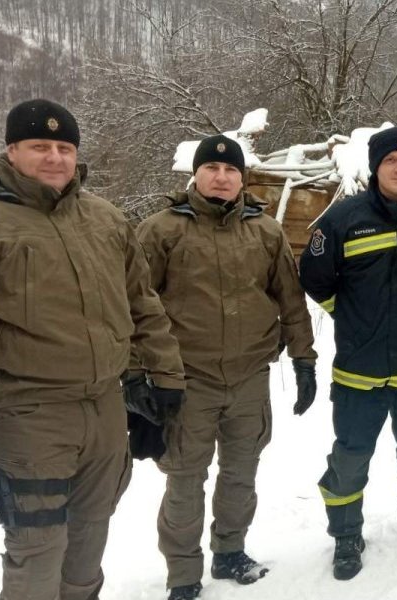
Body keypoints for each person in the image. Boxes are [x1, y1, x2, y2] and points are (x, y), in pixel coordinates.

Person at [0, 99, 185, 599]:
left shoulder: (104, 219)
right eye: (39, 146)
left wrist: (165, 379)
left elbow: (143, 306)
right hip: (29, 416)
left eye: (64, 147)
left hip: (105, 410)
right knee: (38, 551)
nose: (54, 158)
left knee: (91, 538)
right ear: (11, 151)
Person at [134, 134, 318, 600]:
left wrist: (304, 359)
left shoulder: (266, 231)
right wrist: (137, 374)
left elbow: (290, 301)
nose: (221, 177)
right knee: (184, 476)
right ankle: (183, 572)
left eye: (231, 170)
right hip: (185, 380)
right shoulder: (162, 230)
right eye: (212, 169)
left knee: (241, 471)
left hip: (249, 376)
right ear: (195, 174)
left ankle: (230, 550)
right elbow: (131, 306)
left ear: (242, 178)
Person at [298, 126, 397, 580]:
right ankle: (346, 535)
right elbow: (314, 277)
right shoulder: (341, 219)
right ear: (376, 166)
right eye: (391, 160)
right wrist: (352, 317)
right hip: (359, 371)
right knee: (350, 456)